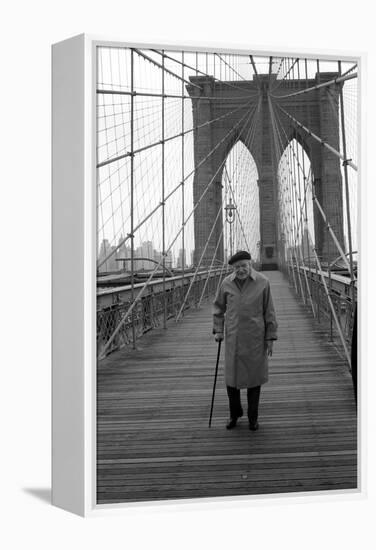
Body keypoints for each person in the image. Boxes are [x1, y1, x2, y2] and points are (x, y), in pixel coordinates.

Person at [212, 250, 278, 431]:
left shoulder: (263, 283)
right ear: (233, 269)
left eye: (244, 266)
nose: (240, 270)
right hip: (233, 339)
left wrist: (270, 337)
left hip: (255, 339)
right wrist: (218, 330)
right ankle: (235, 414)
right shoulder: (226, 283)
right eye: (237, 267)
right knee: (231, 381)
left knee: (254, 380)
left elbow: (269, 311)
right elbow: (218, 308)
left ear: (251, 264)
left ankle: (252, 418)